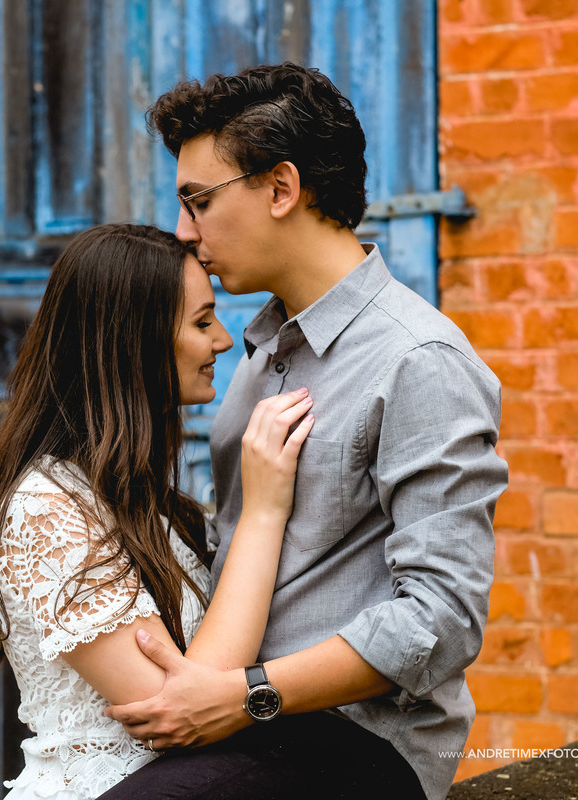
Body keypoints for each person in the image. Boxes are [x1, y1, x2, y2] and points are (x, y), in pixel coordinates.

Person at [99, 64, 509, 800]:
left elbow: (443, 619)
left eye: (198, 201)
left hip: (359, 743)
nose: (185, 232)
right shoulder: (261, 355)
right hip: (248, 732)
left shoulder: (419, 361)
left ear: (281, 189)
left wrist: (247, 694)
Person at [0, 223, 317, 799]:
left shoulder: (152, 503)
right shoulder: (47, 510)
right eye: (202, 322)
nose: (224, 341)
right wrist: (263, 512)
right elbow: (180, 715)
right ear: (135, 341)